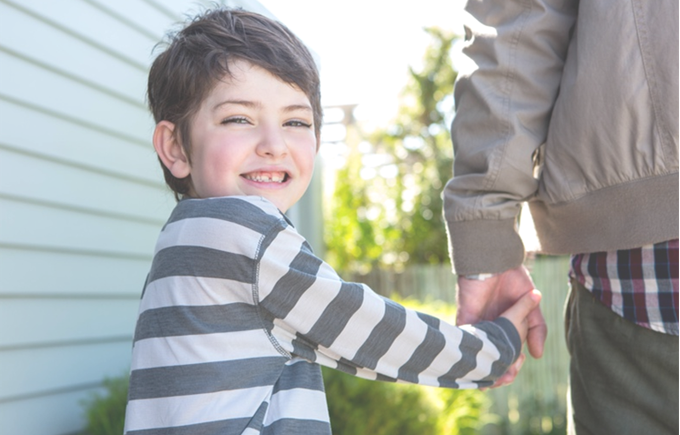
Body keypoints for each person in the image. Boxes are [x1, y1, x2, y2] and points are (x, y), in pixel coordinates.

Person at [123, 8, 542, 435]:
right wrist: (495, 347)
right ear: (174, 146)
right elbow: (372, 332)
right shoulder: (239, 234)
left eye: (295, 122)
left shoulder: (184, 240)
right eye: (238, 118)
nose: (274, 144)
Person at [443, 0, 678, 434]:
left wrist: (487, 229)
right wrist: (486, 235)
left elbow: (518, 19)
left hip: (644, 269)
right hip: (644, 269)